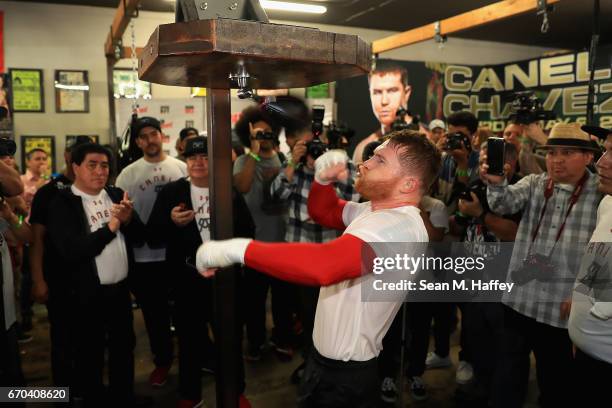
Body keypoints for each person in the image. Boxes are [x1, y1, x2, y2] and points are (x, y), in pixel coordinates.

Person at [197, 130, 441, 407]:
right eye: (371, 155)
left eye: (380, 160)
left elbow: (325, 266)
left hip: (346, 376)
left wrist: (236, 249)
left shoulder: (399, 228)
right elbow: (324, 211)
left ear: (408, 184)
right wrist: (322, 180)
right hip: (327, 363)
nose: (365, 163)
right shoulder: (375, 211)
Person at [482, 122, 602, 408]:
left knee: (556, 383)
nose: (556, 160)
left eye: (567, 152)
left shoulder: (601, 194)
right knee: (508, 374)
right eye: (551, 153)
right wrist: (496, 183)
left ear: (588, 157)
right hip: (519, 299)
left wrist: (584, 292)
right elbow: (502, 205)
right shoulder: (535, 183)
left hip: (560, 310)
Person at [147, 137, 254, 408]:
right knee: (189, 340)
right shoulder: (172, 192)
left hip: (226, 279)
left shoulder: (226, 190)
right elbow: (152, 235)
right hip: (186, 279)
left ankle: (236, 391)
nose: (198, 162)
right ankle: (189, 394)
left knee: (229, 339)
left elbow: (248, 231)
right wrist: (171, 221)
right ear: (186, 160)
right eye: (193, 158)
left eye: (205, 157)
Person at [46, 143, 146, 406]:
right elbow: (73, 251)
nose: (100, 171)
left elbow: (140, 237)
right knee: (88, 353)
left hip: (120, 291)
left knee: (124, 349)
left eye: (104, 165)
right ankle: (93, 399)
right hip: (85, 294)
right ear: (75, 167)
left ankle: (122, 397)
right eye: (92, 165)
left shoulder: (114, 194)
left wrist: (128, 221)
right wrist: (111, 227)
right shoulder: (62, 203)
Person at [116, 116, 187, 387]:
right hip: (144, 257)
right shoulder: (128, 174)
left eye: (153, 134)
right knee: (154, 316)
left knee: (185, 313)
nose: (150, 140)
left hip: (177, 254)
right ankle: (163, 361)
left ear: (162, 135)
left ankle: (195, 357)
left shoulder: (180, 168)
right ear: (137, 142)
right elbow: (123, 214)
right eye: (143, 136)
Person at [28, 135, 92, 389]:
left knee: (92, 340)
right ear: (67, 156)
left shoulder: (100, 189)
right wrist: (38, 279)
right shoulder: (49, 193)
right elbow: (37, 240)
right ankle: (63, 394)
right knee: (64, 341)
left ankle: (89, 391)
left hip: (92, 281)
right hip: (59, 280)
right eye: (76, 152)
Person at [233, 106, 294, 359]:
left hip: (283, 243)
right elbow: (243, 187)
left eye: (268, 132)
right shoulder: (243, 161)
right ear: (249, 134)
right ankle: (256, 343)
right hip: (255, 244)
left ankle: (282, 340)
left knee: (283, 300)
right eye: (259, 132)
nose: (265, 136)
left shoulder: (283, 161)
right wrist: (254, 153)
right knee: (254, 302)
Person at [568, 125, 612, 407]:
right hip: (587, 356)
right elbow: (595, 265)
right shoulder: (608, 202)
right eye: (606, 149)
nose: (601, 162)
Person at [352, 60, 423, 165]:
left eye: (392, 91)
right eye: (377, 92)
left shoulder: (426, 141)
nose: (384, 101)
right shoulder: (363, 147)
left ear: (406, 93)